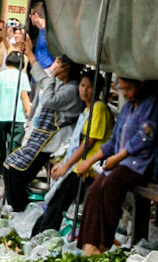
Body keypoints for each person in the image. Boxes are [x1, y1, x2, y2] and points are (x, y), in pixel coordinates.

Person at [78, 76, 158, 253]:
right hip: (122, 163)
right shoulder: (127, 108)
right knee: (93, 190)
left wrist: (117, 158)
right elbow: (113, 141)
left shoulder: (154, 104)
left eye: (128, 89)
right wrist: (89, 161)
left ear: (141, 83)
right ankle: (89, 243)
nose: (125, 93)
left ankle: (104, 243)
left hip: (145, 165)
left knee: (110, 184)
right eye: (123, 89)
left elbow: (144, 138)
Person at [30, 72, 114, 237]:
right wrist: (62, 164)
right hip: (78, 166)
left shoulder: (99, 108)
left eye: (89, 87)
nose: (85, 90)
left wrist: (66, 166)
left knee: (59, 202)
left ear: (97, 89)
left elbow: (88, 143)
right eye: (82, 86)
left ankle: (43, 236)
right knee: (57, 202)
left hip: (89, 167)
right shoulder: (87, 109)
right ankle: (40, 235)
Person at [2, 56, 82, 212]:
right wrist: (32, 55)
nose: (56, 66)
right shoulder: (60, 85)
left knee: (19, 173)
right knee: (9, 166)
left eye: (59, 64)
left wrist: (51, 77)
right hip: (40, 137)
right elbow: (43, 80)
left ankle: (18, 209)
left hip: (54, 141)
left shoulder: (71, 89)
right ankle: (14, 207)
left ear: (66, 68)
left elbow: (48, 101)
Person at [0, 50, 33, 171]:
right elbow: (24, 97)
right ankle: (11, 169)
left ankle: (1, 170)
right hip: (17, 118)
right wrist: (29, 113)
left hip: (0, 117)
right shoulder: (23, 76)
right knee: (14, 145)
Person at [27, 2, 54, 75]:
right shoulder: (41, 31)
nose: (30, 18)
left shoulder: (49, 32)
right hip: (37, 74)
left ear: (35, 15)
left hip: (45, 75)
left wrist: (49, 70)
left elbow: (59, 56)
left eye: (31, 15)